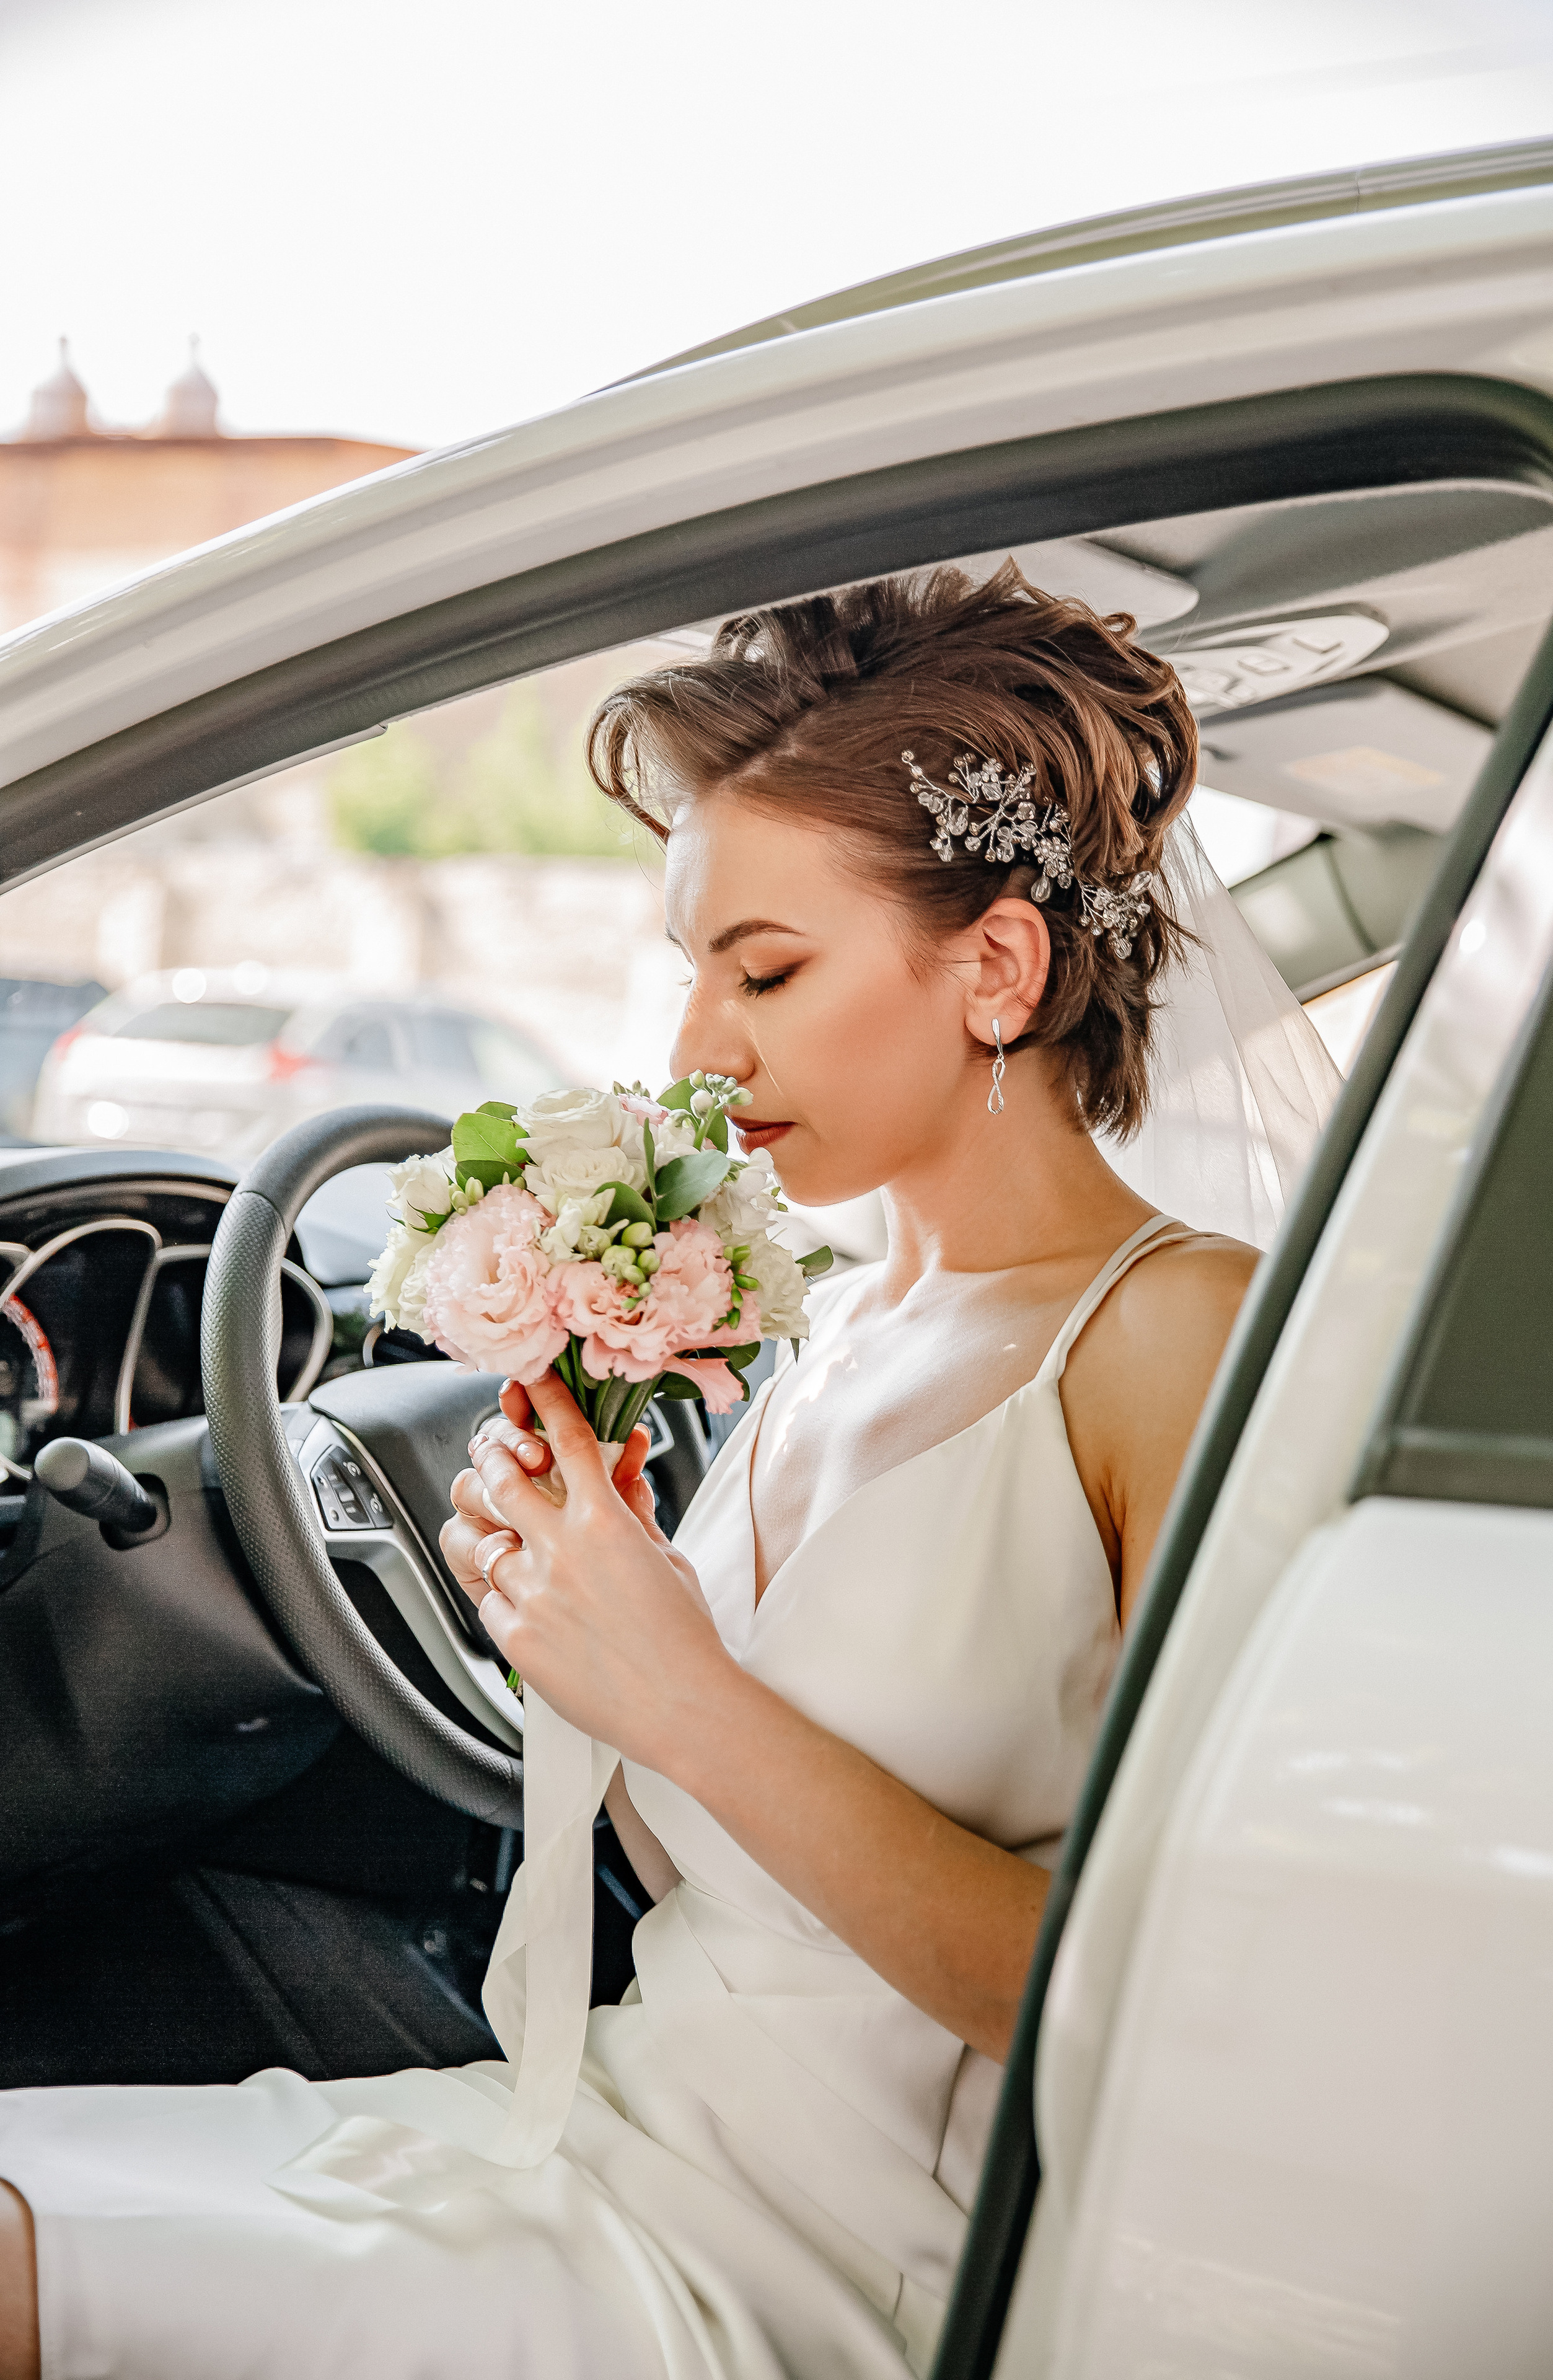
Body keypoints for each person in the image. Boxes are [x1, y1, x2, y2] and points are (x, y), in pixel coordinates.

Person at [0, 564, 1338, 2380]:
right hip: (581, 2134)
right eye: (693, 971)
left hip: (804, 2278)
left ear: (998, 969)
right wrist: (578, 1628)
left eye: (766, 971)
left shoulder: (1172, 1338)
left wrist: (680, 1690)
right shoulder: (829, 1325)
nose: (699, 1047)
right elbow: (717, 1886)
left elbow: (1167, 2020)